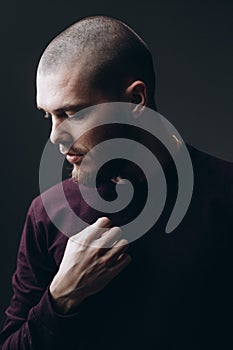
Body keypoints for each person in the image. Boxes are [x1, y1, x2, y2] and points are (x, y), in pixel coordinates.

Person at [0, 15, 233, 350]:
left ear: (135, 100)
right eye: (47, 115)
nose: (54, 136)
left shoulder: (225, 196)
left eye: (73, 113)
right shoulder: (47, 214)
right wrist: (62, 296)